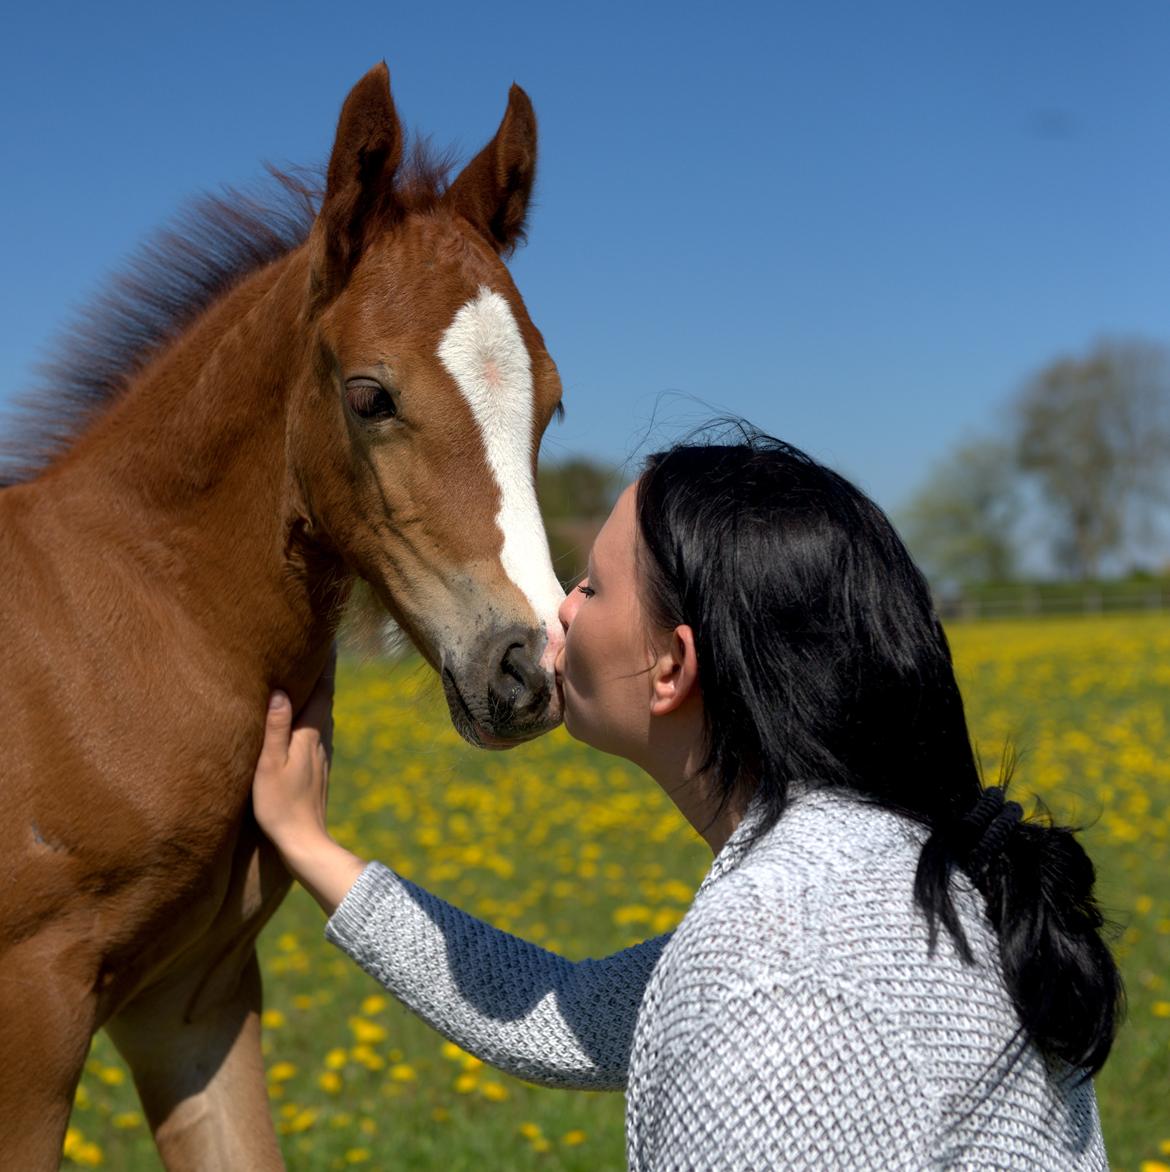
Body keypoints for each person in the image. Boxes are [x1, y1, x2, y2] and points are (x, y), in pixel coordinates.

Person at [252, 429, 1120, 1170]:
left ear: (671, 667)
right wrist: (314, 847)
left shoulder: (777, 977)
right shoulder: (900, 870)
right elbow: (560, 1015)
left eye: (590, 586)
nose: (557, 611)